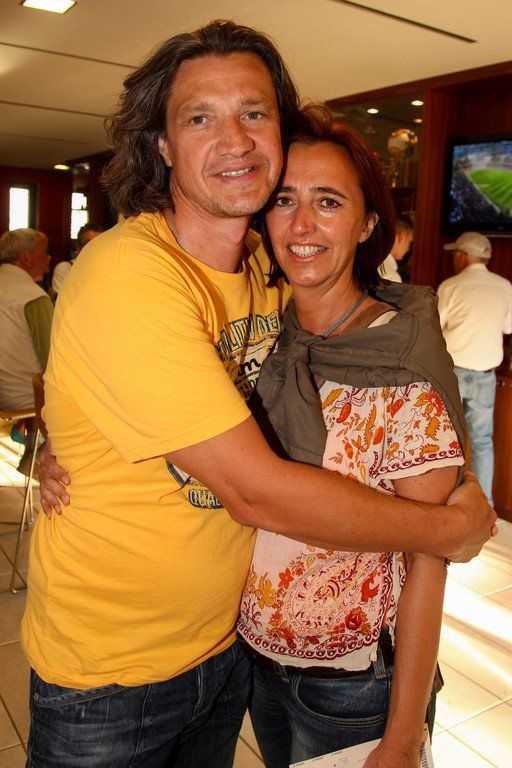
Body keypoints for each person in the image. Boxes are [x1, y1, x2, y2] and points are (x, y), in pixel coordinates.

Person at [30, 19, 495, 768]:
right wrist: (448, 527)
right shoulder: (130, 276)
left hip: (228, 658)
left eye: (254, 112)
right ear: (163, 146)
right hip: (113, 678)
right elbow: (256, 492)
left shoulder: (262, 274)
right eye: (200, 118)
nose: (235, 140)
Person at [238, 107, 463, 768]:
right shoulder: (263, 336)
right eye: (284, 200)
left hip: (355, 686)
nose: (302, 225)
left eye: (328, 202)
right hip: (254, 664)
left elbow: (428, 558)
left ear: (367, 225)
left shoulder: (400, 362)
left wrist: (403, 735)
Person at [438, 231, 512, 505]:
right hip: (485, 376)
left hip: (453, 373)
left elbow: (436, 327)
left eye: (455, 254)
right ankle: (483, 504)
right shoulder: (505, 287)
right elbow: (508, 327)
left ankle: (447, 502)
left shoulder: (451, 286)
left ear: (463, 256)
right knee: (482, 441)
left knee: (447, 442)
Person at [0, 228, 53, 472]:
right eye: (44, 252)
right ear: (26, 257)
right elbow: (52, 359)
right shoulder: (32, 297)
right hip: (18, 395)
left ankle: (31, 443)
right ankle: (39, 453)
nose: (49, 258)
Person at [51, 223, 103, 296]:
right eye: (89, 244)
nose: (95, 249)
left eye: (99, 245)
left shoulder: (108, 271)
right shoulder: (65, 268)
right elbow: (65, 299)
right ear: (78, 246)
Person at [378, 216, 413, 282]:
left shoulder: (370, 260)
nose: (408, 249)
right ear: (401, 237)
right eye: (409, 242)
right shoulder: (392, 277)